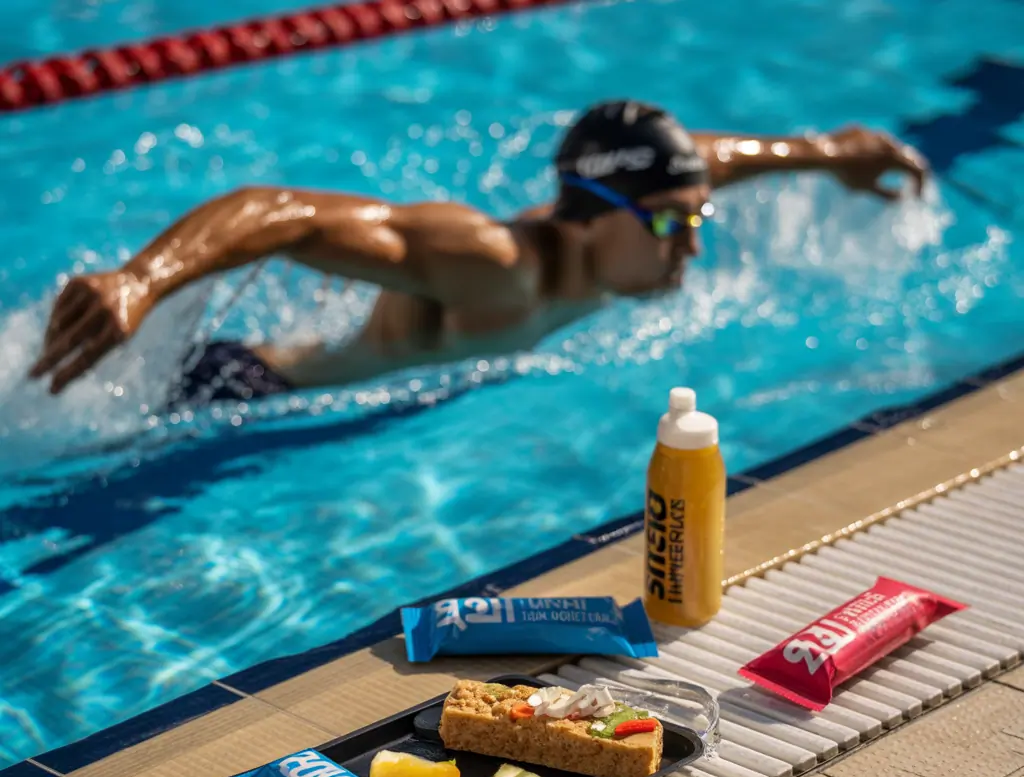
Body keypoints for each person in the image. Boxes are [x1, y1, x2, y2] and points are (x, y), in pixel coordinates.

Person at [31, 100, 928, 404]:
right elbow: (280, 211)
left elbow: (707, 160)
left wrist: (831, 152)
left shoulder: (629, 223)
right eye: (671, 225)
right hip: (232, 394)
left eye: (697, 219)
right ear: (596, 216)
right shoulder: (493, 264)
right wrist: (141, 278)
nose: (693, 244)